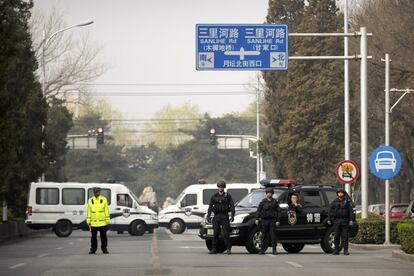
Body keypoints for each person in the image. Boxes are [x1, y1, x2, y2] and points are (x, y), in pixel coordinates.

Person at [207, 180, 235, 255]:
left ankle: (228, 248)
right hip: (217, 216)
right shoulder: (214, 196)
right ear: (218, 187)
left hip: (224, 216)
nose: (220, 188)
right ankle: (214, 249)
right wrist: (208, 216)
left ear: (224, 188)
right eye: (219, 187)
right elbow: (210, 206)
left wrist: (232, 215)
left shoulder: (227, 196)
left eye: (222, 187)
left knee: (226, 233)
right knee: (215, 233)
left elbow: (232, 206)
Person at [327, 188, 354, 255]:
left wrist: (351, 220)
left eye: (341, 193)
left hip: (345, 221)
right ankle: (336, 250)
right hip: (337, 221)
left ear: (343, 194)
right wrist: (329, 219)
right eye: (339, 193)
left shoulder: (347, 202)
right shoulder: (334, 202)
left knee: (345, 236)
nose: (340, 194)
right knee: (336, 236)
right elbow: (330, 211)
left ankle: (345, 250)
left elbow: (351, 211)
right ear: (337, 194)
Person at [255, 187, 280, 255]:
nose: (269, 194)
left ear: (272, 194)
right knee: (264, 236)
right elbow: (258, 210)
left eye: (270, 193)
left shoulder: (275, 202)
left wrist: (278, 220)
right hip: (264, 221)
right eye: (268, 193)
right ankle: (262, 250)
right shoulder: (263, 202)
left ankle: (274, 250)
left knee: (273, 236)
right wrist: (257, 218)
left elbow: (278, 212)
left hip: (272, 221)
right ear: (266, 194)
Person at [86, 187, 110, 254]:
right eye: (95, 192)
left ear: (100, 192)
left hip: (102, 222)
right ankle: (93, 249)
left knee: (103, 237)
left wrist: (107, 219)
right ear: (94, 192)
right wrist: (88, 220)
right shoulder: (90, 200)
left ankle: (104, 249)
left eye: (98, 192)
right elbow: (89, 211)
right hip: (93, 223)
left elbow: (106, 210)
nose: (97, 193)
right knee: (93, 238)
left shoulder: (104, 199)